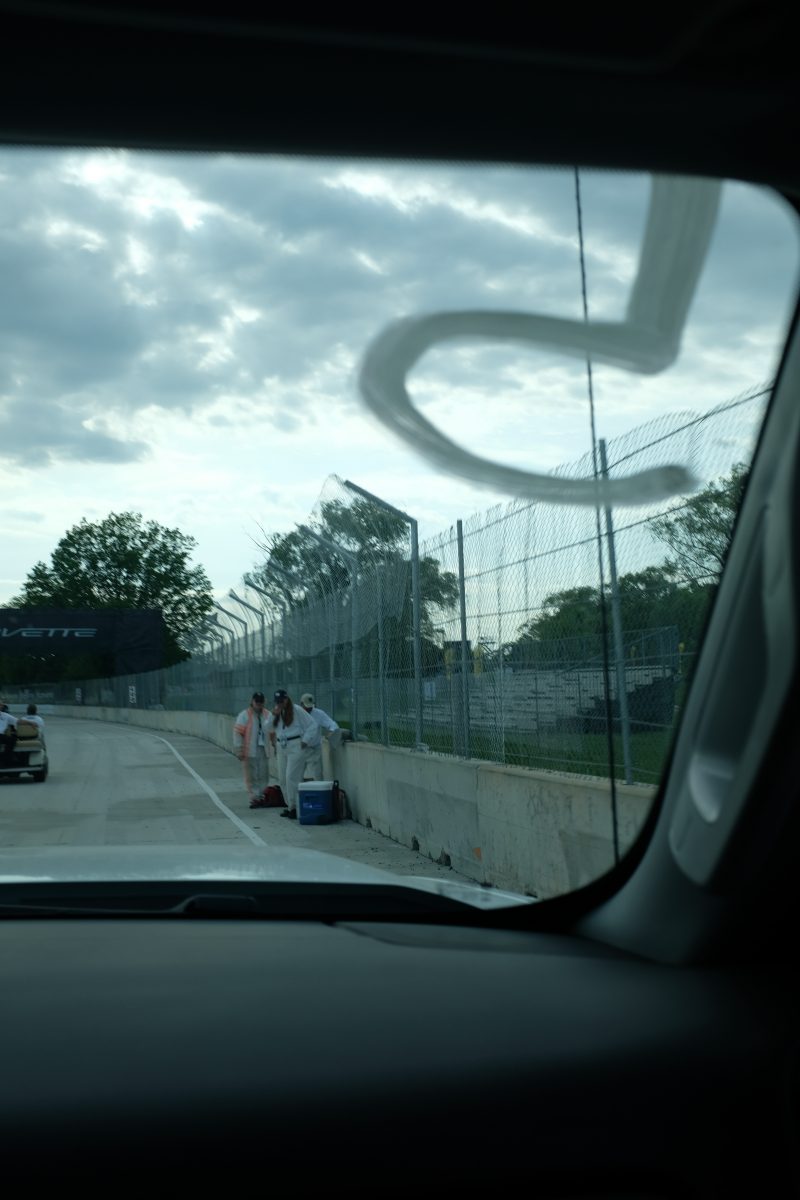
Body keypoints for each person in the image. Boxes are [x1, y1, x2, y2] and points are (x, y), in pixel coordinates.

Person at [269, 689, 315, 819]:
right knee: (282, 778)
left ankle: (296, 806)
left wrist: (305, 740)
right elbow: (268, 727)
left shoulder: (297, 710)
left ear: (286, 699)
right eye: (277, 701)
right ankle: (290, 805)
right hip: (281, 745)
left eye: (282, 701)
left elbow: (312, 725)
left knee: (291, 777)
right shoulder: (276, 712)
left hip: (295, 744)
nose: (280, 703)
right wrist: (273, 715)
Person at [233, 691, 270, 804]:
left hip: (263, 749)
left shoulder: (268, 715)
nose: (259, 704)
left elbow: (273, 731)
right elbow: (238, 733)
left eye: (261, 702)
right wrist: (239, 749)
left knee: (263, 773)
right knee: (251, 775)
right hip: (249, 750)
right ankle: (254, 796)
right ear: (252, 701)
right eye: (257, 701)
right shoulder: (244, 715)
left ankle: (263, 795)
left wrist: (275, 745)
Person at [299, 692, 339, 780]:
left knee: (317, 774)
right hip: (300, 748)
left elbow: (332, 724)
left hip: (314, 748)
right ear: (301, 704)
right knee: (297, 774)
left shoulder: (318, 713)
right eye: (306, 707)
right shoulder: (297, 714)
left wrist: (331, 731)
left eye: (310, 706)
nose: (309, 709)